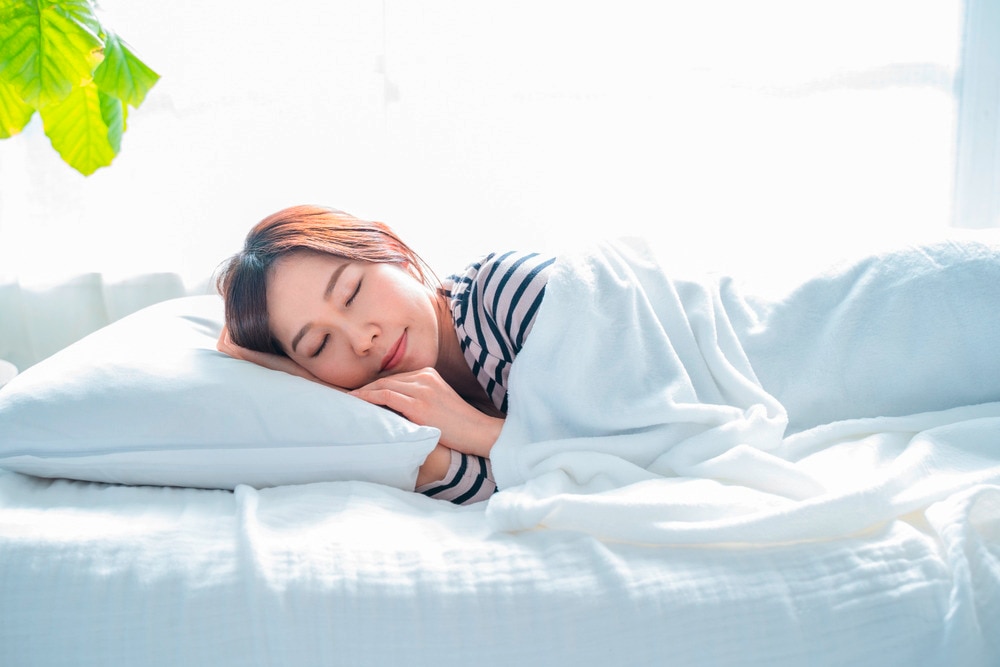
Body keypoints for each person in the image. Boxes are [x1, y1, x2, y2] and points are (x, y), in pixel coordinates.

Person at [215, 204, 555, 505]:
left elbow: (605, 462)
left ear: (391, 249)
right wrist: (310, 387)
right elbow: (520, 492)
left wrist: (475, 430)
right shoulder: (403, 417)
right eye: (319, 345)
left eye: (352, 293)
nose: (362, 340)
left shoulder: (511, 291)